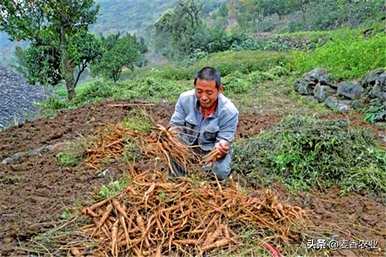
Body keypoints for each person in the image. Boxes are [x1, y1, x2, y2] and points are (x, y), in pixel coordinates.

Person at [169, 66, 239, 180]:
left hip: (210, 151)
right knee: (173, 152)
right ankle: (177, 180)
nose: (203, 97)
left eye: (209, 93)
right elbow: (176, 126)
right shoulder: (184, 99)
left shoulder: (229, 112)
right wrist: (173, 140)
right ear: (195, 87)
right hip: (187, 147)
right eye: (199, 91)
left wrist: (221, 148)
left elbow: (223, 140)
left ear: (220, 89)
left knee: (220, 171)